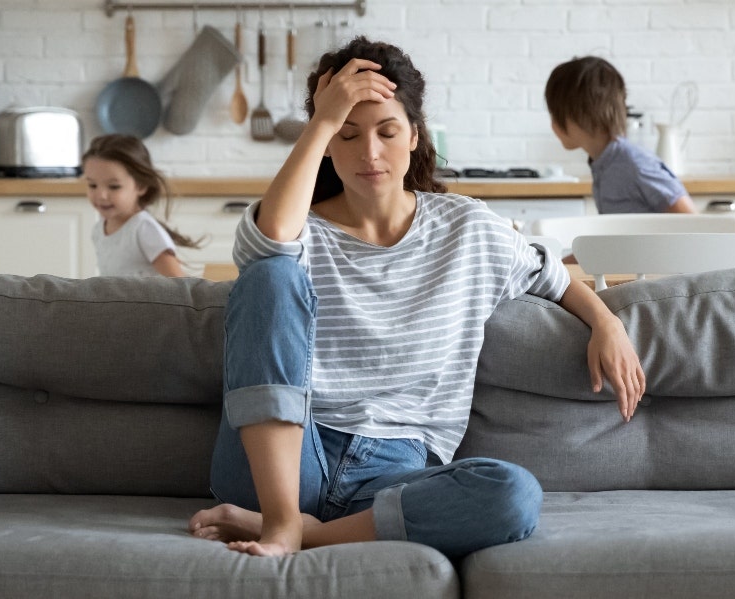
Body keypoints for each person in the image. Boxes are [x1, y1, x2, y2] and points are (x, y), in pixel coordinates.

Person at [188, 37, 646, 560]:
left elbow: (557, 280)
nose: (369, 153)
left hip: (394, 472)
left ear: (414, 137)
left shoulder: (467, 229)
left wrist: (607, 323)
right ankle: (281, 513)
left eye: (387, 131)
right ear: (327, 143)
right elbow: (268, 244)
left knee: (513, 494)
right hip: (284, 455)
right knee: (269, 275)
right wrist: (320, 119)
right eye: (347, 133)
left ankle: (297, 531)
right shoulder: (298, 230)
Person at [544, 56, 697, 214]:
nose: (553, 124)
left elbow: (692, 222)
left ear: (582, 114)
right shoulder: (603, 163)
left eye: (555, 114)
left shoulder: (635, 164)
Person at [81, 134, 201, 277]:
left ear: (141, 186)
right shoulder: (99, 229)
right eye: (92, 185)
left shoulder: (144, 230)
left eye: (114, 186)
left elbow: (180, 284)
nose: (101, 195)